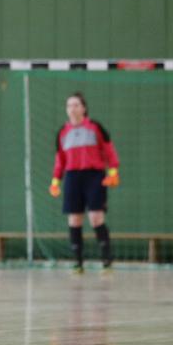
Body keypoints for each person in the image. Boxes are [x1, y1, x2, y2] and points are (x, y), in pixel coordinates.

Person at [49, 92, 119, 272]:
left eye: (76, 105)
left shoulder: (95, 128)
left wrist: (113, 172)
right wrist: (56, 181)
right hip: (72, 177)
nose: (72, 109)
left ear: (84, 108)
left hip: (94, 176)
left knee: (96, 218)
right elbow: (60, 161)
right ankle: (78, 262)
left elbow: (109, 151)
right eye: (69, 105)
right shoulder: (62, 133)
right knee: (74, 219)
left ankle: (106, 260)